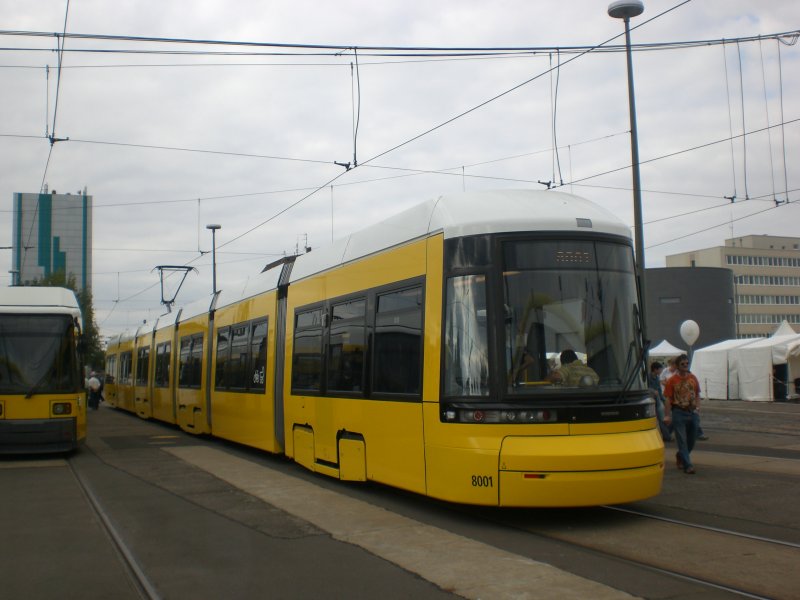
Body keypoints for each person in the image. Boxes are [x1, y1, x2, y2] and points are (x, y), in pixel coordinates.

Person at [663, 354, 701, 474]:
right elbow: (668, 399)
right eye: (682, 364)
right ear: (677, 366)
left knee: (692, 438)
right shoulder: (672, 381)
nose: (685, 366)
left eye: (686, 363)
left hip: (692, 411)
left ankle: (681, 455)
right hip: (678, 412)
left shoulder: (693, 378)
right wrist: (667, 415)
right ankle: (688, 465)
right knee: (682, 440)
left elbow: (697, 394)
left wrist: (698, 407)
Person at [648, 361, 672, 442]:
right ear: (655, 369)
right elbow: (644, 387)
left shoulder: (657, 377)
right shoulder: (648, 377)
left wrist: (663, 399)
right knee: (656, 419)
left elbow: (658, 389)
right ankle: (665, 436)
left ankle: (667, 436)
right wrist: (652, 391)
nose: (661, 371)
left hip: (657, 400)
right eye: (660, 369)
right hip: (650, 400)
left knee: (662, 418)